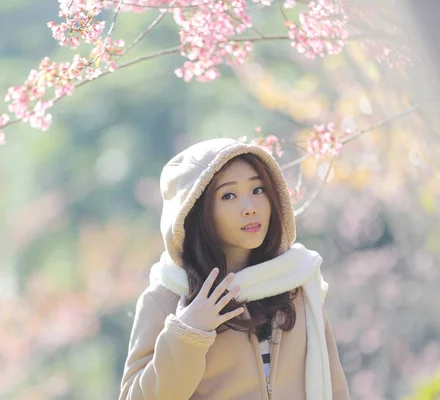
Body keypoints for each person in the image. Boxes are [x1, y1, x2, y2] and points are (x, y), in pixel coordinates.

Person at [119, 138, 350, 400]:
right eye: (228, 195)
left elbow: (334, 388)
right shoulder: (167, 297)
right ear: (196, 211)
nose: (250, 208)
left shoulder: (296, 281)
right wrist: (187, 334)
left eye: (259, 190)